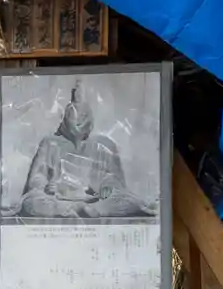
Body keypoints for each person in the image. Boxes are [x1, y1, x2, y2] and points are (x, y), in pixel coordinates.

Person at [18, 84, 152, 220]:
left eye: (83, 115)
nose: (79, 120)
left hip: (94, 201)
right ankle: (71, 209)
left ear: (90, 118)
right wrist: (46, 186)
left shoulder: (103, 144)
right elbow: (37, 177)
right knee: (32, 203)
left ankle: (95, 210)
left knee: (128, 201)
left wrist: (108, 186)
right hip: (59, 200)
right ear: (65, 118)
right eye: (73, 115)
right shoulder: (50, 143)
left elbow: (114, 179)